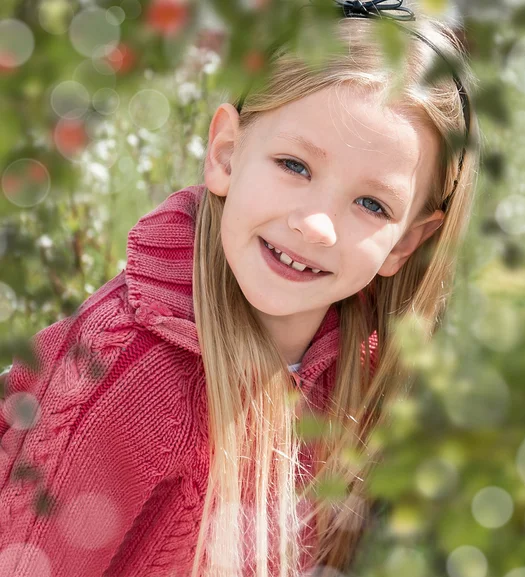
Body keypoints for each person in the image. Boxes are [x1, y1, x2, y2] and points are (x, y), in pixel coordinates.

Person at [0, 2, 479, 576]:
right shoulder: (132, 375)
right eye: (294, 166)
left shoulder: (356, 363)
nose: (316, 225)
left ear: (405, 243)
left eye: (371, 205)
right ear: (226, 153)